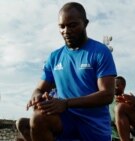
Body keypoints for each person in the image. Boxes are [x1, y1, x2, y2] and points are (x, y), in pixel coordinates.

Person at [16, 2, 117, 141]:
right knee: (38, 117)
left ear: (85, 23)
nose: (66, 31)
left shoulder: (100, 52)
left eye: (72, 25)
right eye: (62, 26)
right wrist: (37, 97)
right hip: (66, 122)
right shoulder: (55, 57)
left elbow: (107, 95)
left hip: (94, 128)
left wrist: (66, 103)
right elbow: (39, 88)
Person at [109, 76, 133, 141]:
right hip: (110, 137)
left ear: (123, 86)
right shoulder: (109, 101)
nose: (114, 87)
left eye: (116, 85)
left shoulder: (128, 101)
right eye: (112, 85)